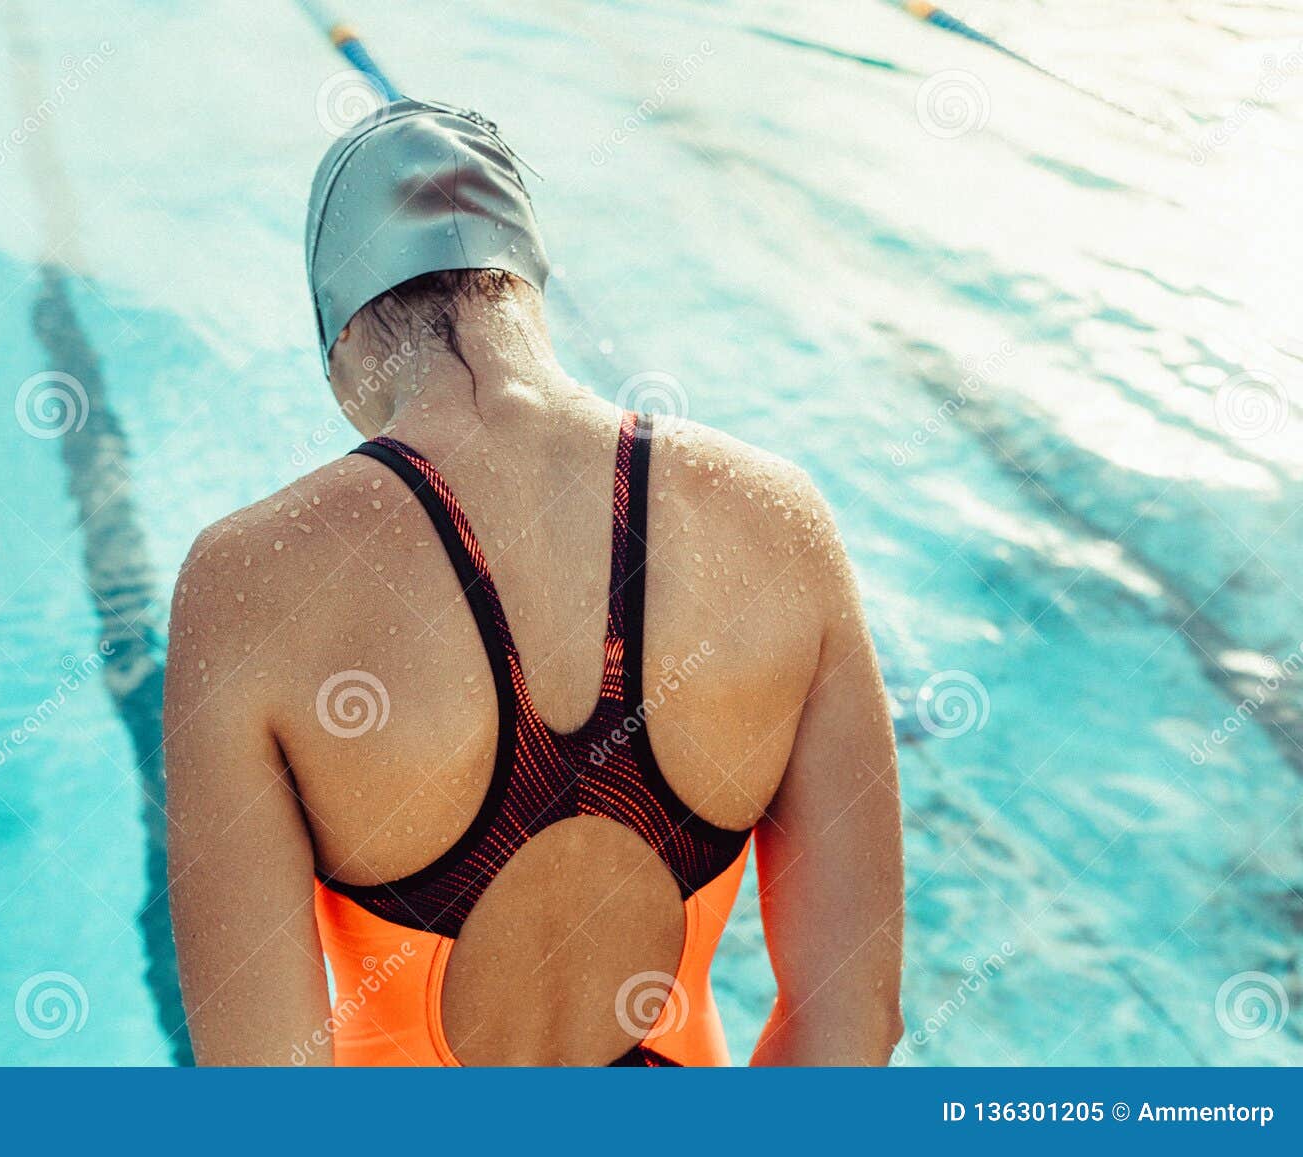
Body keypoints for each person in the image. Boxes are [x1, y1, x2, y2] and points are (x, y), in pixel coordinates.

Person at [164, 99, 903, 1066]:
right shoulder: (778, 521)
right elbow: (852, 1027)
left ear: (342, 346)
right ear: (529, 290)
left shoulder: (244, 585)